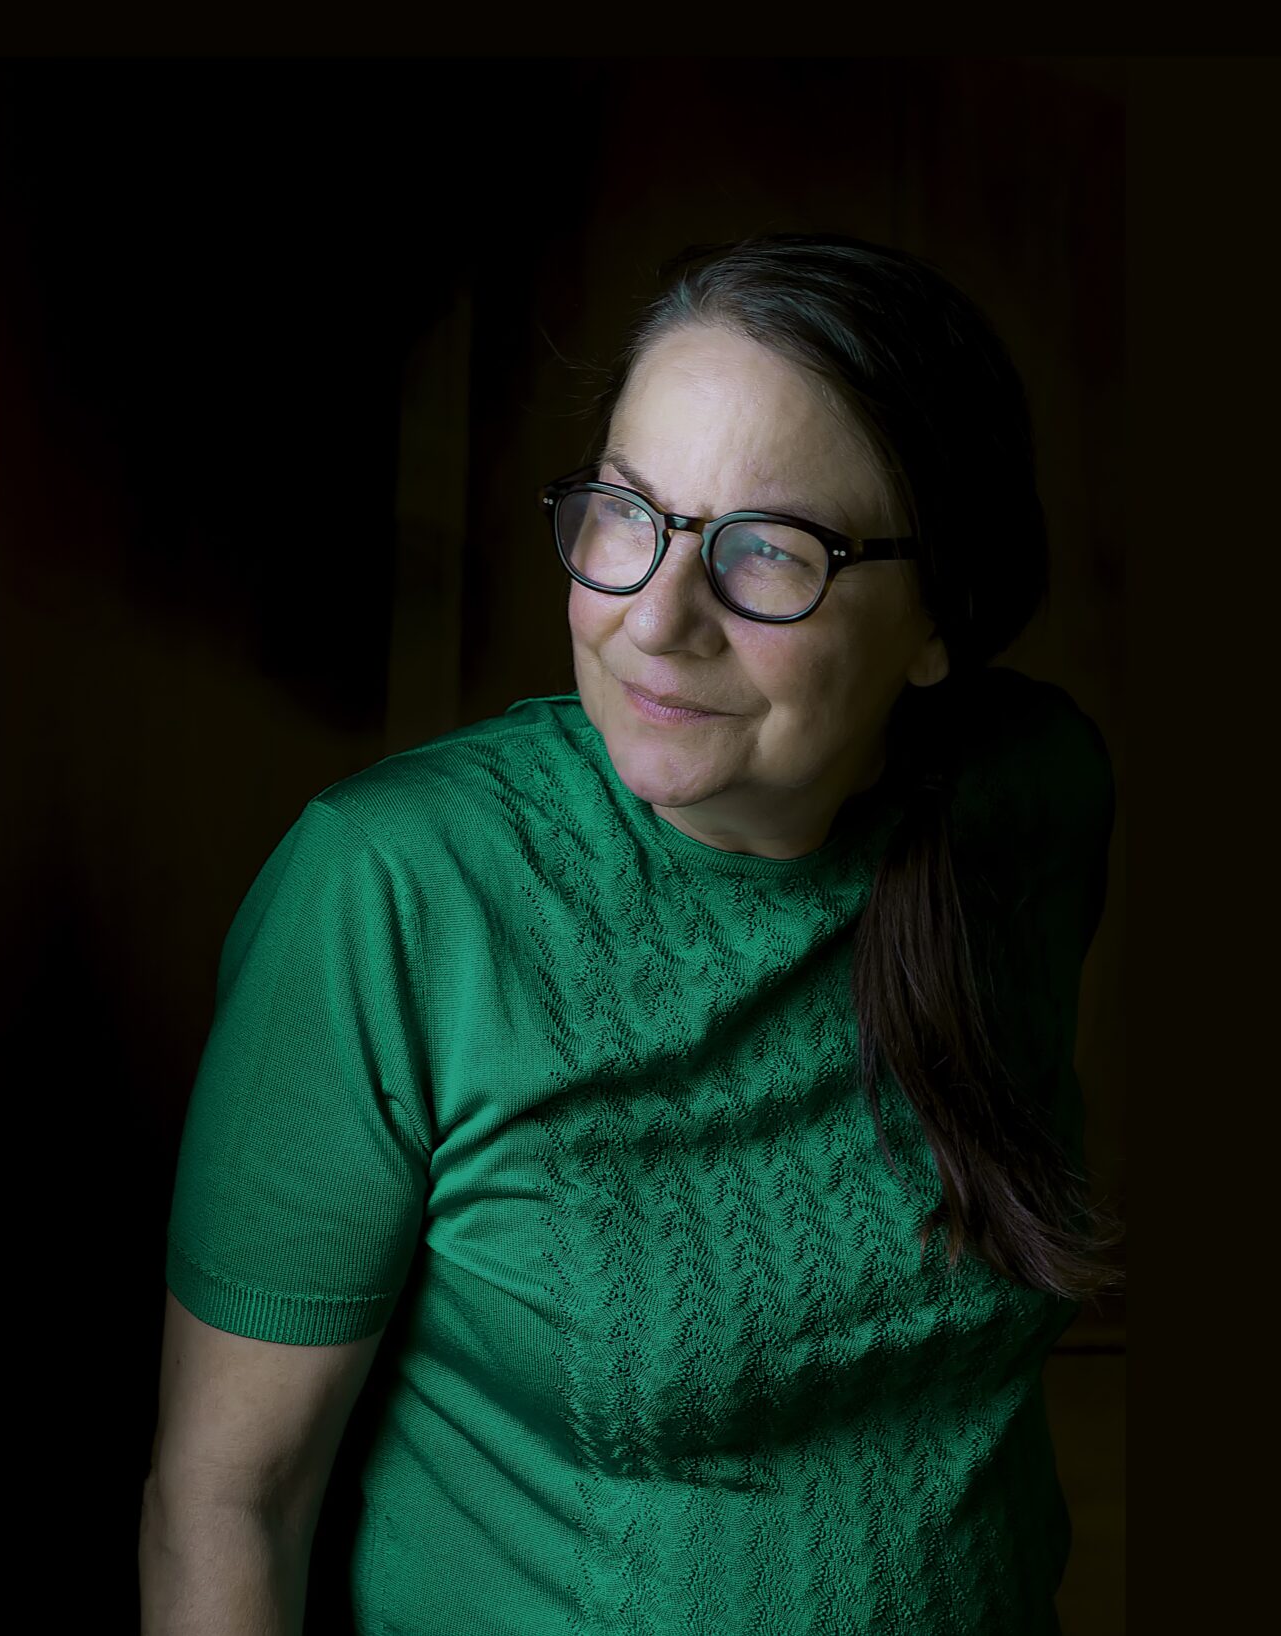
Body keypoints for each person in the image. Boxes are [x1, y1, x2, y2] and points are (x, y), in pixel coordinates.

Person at [138, 233, 1120, 1635]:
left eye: (767, 551)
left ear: (937, 618)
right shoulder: (399, 890)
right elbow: (230, 1503)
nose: (656, 619)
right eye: (627, 511)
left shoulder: (1031, 808)